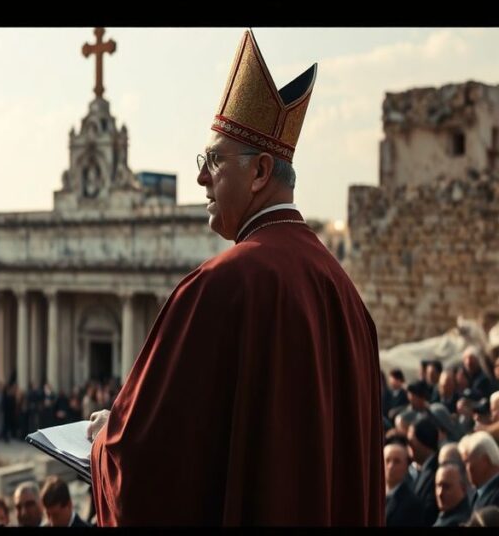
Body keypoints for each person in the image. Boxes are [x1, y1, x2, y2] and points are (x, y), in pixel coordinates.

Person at [87, 30, 382, 526]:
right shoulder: (344, 294)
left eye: (213, 161)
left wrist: (102, 443)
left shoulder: (221, 286)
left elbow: (143, 468)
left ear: (262, 171)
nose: (202, 177)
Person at [384, 439, 421, 527]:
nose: (391, 466)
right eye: (387, 460)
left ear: (406, 467)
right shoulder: (372, 495)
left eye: (397, 461)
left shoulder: (412, 504)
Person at [458, 431, 499, 510]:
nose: (465, 469)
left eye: (467, 462)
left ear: (485, 461)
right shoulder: (480, 492)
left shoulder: (496, 496)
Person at [433, 462, 473, 527]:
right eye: (438, 486)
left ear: (463, 488)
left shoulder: (460, 522)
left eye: (446, 487)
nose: (440, 493)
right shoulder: (446, 514)